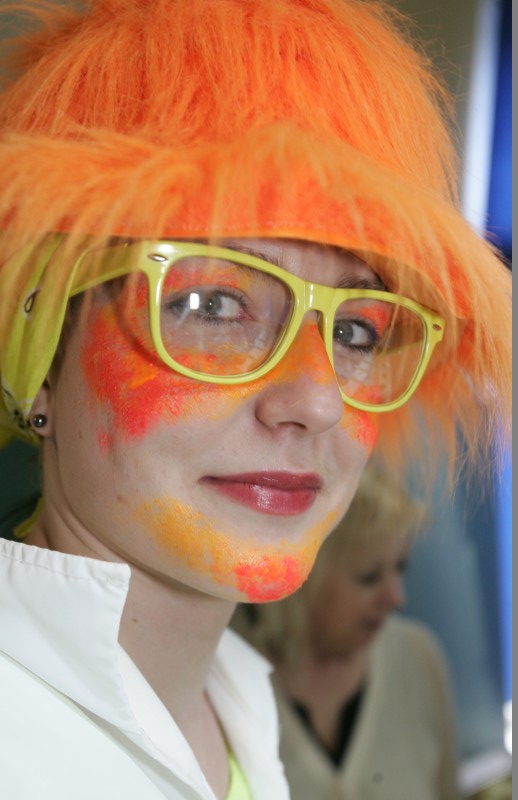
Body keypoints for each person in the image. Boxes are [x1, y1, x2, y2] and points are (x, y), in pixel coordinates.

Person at [0, 1, 511, 799]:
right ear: (38, 354)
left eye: (357, 331)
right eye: (211, 305)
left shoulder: (233, 699)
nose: (318, 399)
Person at [232, 464, 461, 800]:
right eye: (369, 577)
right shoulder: (225, 674)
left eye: (400, 569)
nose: (396, 598)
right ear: (302, 579)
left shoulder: (418, 658)